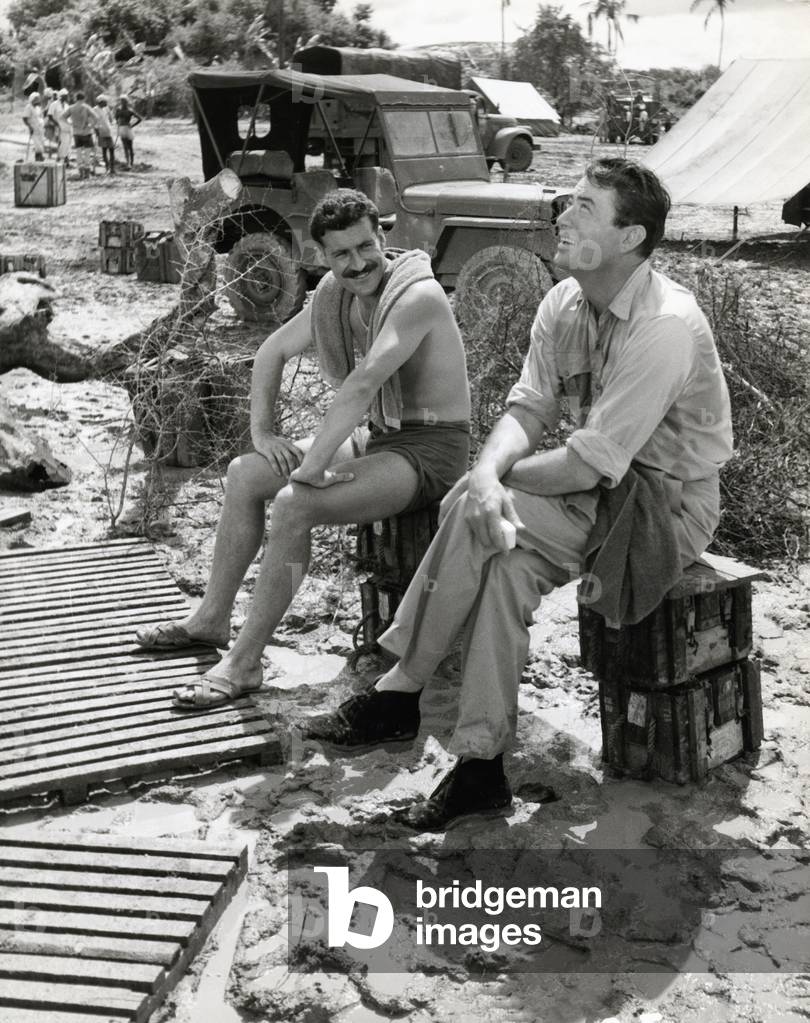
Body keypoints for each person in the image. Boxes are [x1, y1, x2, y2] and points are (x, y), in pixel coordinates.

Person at [310, 158, 734, 832]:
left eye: (584, 208)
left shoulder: (665, 325)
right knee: (503, 566)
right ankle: (479, 765)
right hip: (592, 493)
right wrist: (487, 472)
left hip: (664, 505)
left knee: (468, 512)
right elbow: (528, 408)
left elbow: (592, 461)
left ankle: (400, 689)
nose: (561, 215)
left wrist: (490, 482)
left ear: (629, 238)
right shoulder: (564, 301)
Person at [135, 189, 471, 709]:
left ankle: (245, 662)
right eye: (341, 254)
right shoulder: (334, 298)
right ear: (322, 257)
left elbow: (362, 386)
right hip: (380, 438)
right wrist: (262, 433)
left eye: (365, 247)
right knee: (247, 472)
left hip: (431, 452)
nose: (357, 264)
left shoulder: (417, 295)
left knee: (296, 504)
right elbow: (272, 350)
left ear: (383, 237)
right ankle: (210, 619)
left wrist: (310, 470)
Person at [68, 91, 97, 179]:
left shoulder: (71, 107)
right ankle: (87, 173)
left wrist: (70, 124)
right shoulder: (86, 107)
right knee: (87, 153)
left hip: (76, 132)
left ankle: (80, 172)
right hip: (86, 132)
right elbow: (96, 117)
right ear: (84, 98)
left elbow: (62, 117)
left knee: (79, 152)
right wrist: (91, 126)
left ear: (76, 98)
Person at [114, 95, 142, 168]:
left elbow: (140, 119)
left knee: (129, 147)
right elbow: (116, 118)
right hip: (123, 128)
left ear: (127, 102)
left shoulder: (129, 110)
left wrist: (132, 125)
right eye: (122, 101)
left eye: (124, 101)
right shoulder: (119, 110)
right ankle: (128, 163)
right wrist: (118, 122)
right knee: (126, 147)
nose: (123, 103)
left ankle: (131, 163)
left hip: (127, 129)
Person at [47, 88, 72, 164]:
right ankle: (60, 158)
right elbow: (50, 116)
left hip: (67, 126)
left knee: (68, 142)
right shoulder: (54, 104)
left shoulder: (67, 105)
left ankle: (66, 159)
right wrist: (56, 124)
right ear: (61, 96)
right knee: (61, 142)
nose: (67, 97)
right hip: (58, 126)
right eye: (66, 96)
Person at [93, 94, 116, 174]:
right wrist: (96, 130)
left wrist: (113, 121)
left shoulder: (107, 109)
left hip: (108, 131)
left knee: (112, 150)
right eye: (105, 102)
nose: (106, 103)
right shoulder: (95, 109)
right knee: (104, 150)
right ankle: (107, 167)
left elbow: (111, 119)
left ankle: (112, 168)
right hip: (101, 132)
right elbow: (93, 121)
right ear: (100, 102)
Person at [22, 92, 46, 161]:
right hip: (33, 128)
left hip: (40, 128)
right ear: (33, 99)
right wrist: (29, 127)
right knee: (37, 144)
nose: (38, 100)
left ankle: (38, 158)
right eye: (37, 99)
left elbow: (40, 116)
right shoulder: (29, 107)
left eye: (38, 99)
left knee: (41, 143)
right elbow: (24, 118)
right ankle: (39, 157)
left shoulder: (38, 108)